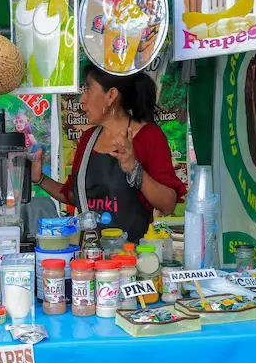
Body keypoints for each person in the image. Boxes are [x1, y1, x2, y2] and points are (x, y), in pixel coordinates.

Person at [32, 64, 186, 242]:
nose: (82, 99)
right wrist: (40, 179)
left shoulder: (149, 137)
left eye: (88, 89)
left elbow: (168, 204)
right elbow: (78, 197)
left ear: (111, 95)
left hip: (133, 258)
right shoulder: (87, 139)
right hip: (90, 256)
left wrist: (135, 170)